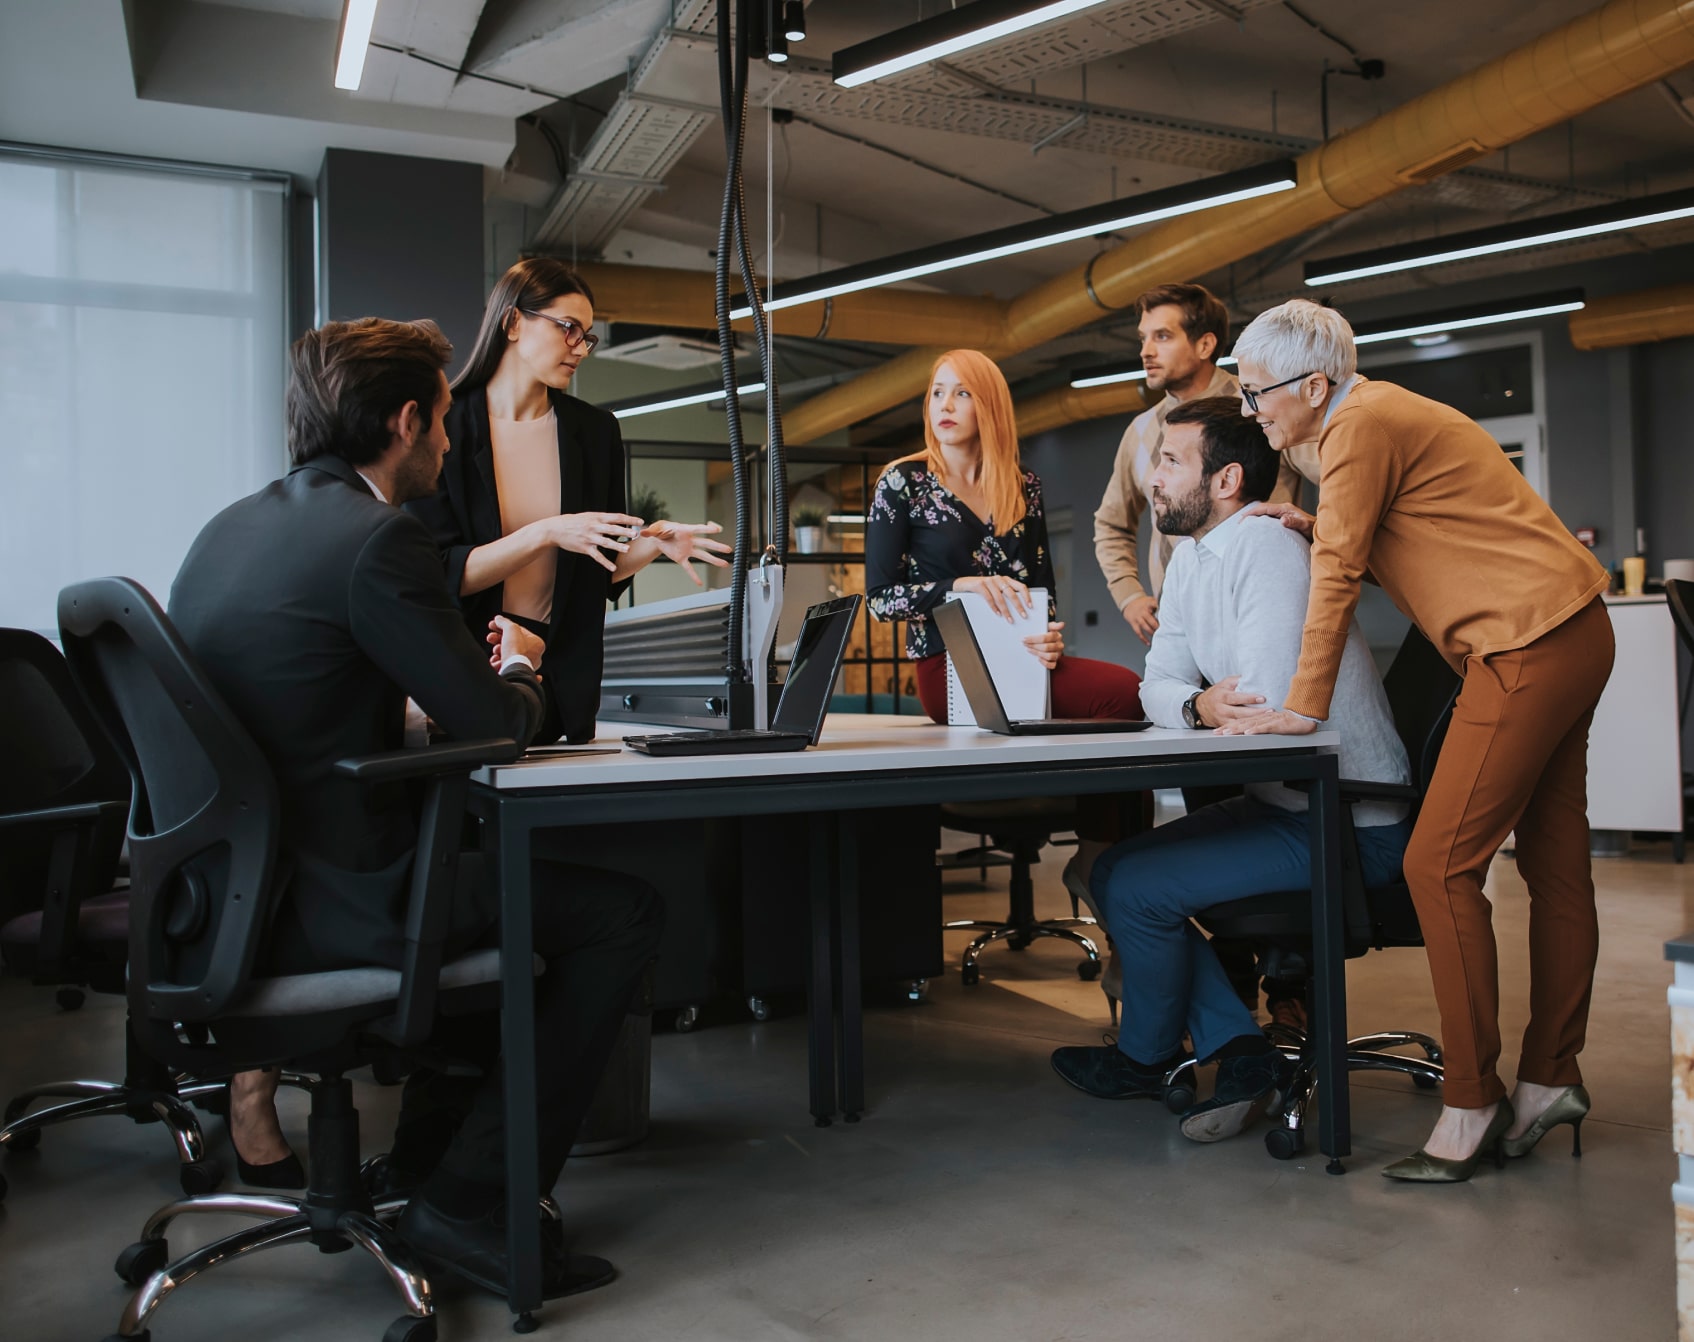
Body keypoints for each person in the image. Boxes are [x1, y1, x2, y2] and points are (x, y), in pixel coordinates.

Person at [169, 317, 664, 1295]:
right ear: (403, 423)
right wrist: (521, 665)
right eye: (442, 422)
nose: (448, 442)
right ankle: (472, 1204)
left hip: (217, 897)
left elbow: (297, 701)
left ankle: (436, 1166)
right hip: (324, 899)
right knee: (619, 914)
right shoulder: (377, 538)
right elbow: (493, 726)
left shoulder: (230, 527)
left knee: (498, 886)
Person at [1219, 298, 1613, 1182]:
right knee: (1555, 868)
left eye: (1257, 395)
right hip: (1574, 629)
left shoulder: (1359, 426)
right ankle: (1550, 1078)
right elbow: (1418, 523)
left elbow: (1341, 576)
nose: (1252, 413)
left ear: (1314, 385)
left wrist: (1303, 704)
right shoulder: (1378, 418)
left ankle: (1473, 1100)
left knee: (1437, 864)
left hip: (1522, 646)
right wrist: (1316, 519)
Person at [1050, 398, 1412, 1142]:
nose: (1151, 478)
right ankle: (1238, 1050)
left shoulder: (1266, 549)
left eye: (1170, 460)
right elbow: (1158, 684)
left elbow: (1274, 711)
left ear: (1226, 480)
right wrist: (1197, 708)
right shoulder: (1191, 560)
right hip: (1286, 803)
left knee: (1138, 884)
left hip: (1348, 819)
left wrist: (1201, 706)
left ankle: (1155, 1058)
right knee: (1109, 868)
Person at [1092, 282, 1316, 1025]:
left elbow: (1334, 487)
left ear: (1205, 344)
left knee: (1216, 843)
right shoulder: (1146, 436)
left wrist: (1314, 528)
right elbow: (1111, 526)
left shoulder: (1261, 410)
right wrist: (1133, 597)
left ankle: (1289, 999)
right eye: (1144, 335)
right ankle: (1230, 1009)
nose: (1146, 347)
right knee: (1187, 848)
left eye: (1161, 335)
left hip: (1264, 630)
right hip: (1196, 635)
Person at [865, 349, 1148, 934]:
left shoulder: (1025, 486)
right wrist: (959, 585)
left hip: (1022, 660)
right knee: (1123, 691)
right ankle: (1106, 858)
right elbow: (879, 599)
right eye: (938, 391)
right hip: (950, 667)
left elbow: (1041, 589)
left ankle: (1106, 859)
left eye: (963, 393)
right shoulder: (904, 481)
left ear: (989, 404)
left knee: (1128, 695)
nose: (945, 405)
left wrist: (1050, 639)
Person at [406, 257, 731, 745]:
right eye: (568, 329)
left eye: (588, 336)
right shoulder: (444, 427)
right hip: (468, 672)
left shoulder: (595, 432)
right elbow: (443, 574)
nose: (580, 348)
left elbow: (593, 572)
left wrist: (652, 543)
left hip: (561, 677)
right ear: (513, 321)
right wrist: (547, 531)